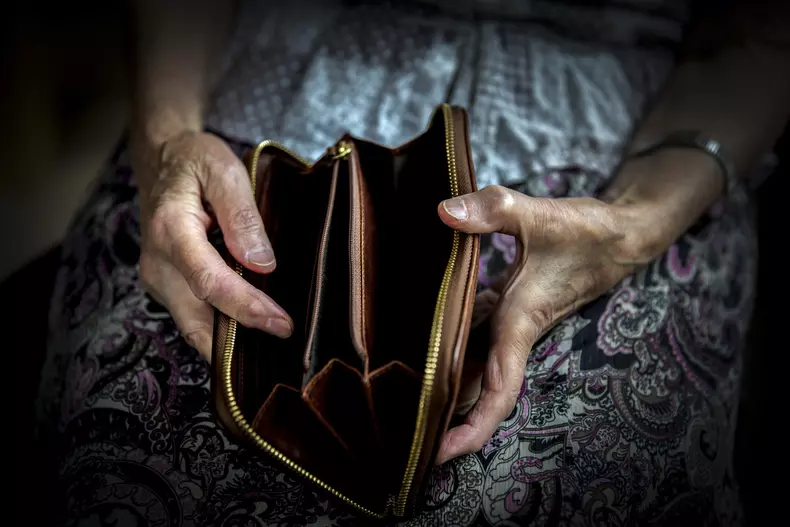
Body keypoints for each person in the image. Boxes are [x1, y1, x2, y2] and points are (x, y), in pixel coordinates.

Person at [36, 0, 789, 524]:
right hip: (243, 114)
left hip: (641, 160)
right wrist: (166, 140)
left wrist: (631, 226)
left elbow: (760, 28)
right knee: (140, 456)